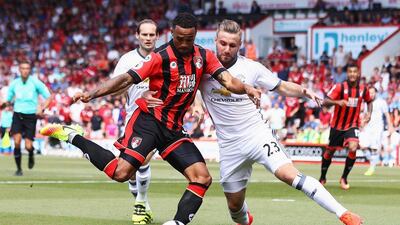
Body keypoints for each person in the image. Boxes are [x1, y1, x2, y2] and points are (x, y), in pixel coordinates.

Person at [40, 13, 261, 225]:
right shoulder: (159, 57)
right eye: (180, 38)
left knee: (202, 178)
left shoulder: (204, 56)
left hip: (173, 129)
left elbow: (229, 81)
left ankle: (177, 222)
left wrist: (247, 88)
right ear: (172, 34)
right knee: (121, 173)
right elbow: (125, 79)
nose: (184, 43)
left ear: (195, 36)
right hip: (148, 122)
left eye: (189, 39)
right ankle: (73, 136)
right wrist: (92, 93)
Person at [144, 19, 363, 225]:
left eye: (232, 44)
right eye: (222, 43)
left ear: (240, 45)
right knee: (235, 208)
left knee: (289, 175)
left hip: (257, 135)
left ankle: (343, 213)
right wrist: (195, 103)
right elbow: (184, 83)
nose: (226, 49)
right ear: (215, 42)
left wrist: (305, 91)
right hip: (229, 146)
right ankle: (246, 219)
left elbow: (282, 86)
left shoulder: (252, 68)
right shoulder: (202, 65)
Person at [110, 19, 159, 224]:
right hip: (133, 118)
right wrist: (134, 79)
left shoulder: (163, 57)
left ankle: (141, 202)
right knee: (130, 171)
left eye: (151, 35)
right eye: (144, 35)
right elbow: (115, 89)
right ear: (137, 36)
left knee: (144, 159)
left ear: (157, 36)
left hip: (157, 118)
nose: (148, 38)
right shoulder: (127, 60)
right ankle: (142, 202)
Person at [319, 64, 373, 190]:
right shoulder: (339, 87)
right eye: (350, 72)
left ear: (358, 73)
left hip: (353, 125)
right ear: (347, 74)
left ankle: (344, 178)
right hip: (337, 126)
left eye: (355, 72)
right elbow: (325, 101)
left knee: (353, 147)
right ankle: (322, 177)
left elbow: (369, 101)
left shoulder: (363, 89)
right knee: (329, 151)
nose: (352, 74)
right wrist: (337, 102)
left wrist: (369, 113)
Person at [6, 60, 51, 176]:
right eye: (23, 68)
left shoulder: (35, 82)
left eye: (27, 68)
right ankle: (19, 169)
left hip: (31, 116)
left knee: (28, 146)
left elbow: (49, 97)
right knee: (16, 142)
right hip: (17, 114)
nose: (25, 71)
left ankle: (31, 154)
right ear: (19, 70)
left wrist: (42, 108)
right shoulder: (14, 83)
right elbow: (8, 100)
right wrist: (3, 104)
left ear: (29, 70)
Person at [360, 87, 393, 175]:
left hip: (378, 128)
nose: (371, 94)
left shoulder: (382, 102)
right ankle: (374, 161)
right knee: (362, 145)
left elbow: (387, 114)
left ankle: (372, 167)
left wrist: (390, 126)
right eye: (369, 93)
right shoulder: (366, 102)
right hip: (368, 127)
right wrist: (362, 124)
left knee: (374, 148)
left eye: (373, 92)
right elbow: (365, 115)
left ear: (376, 93)